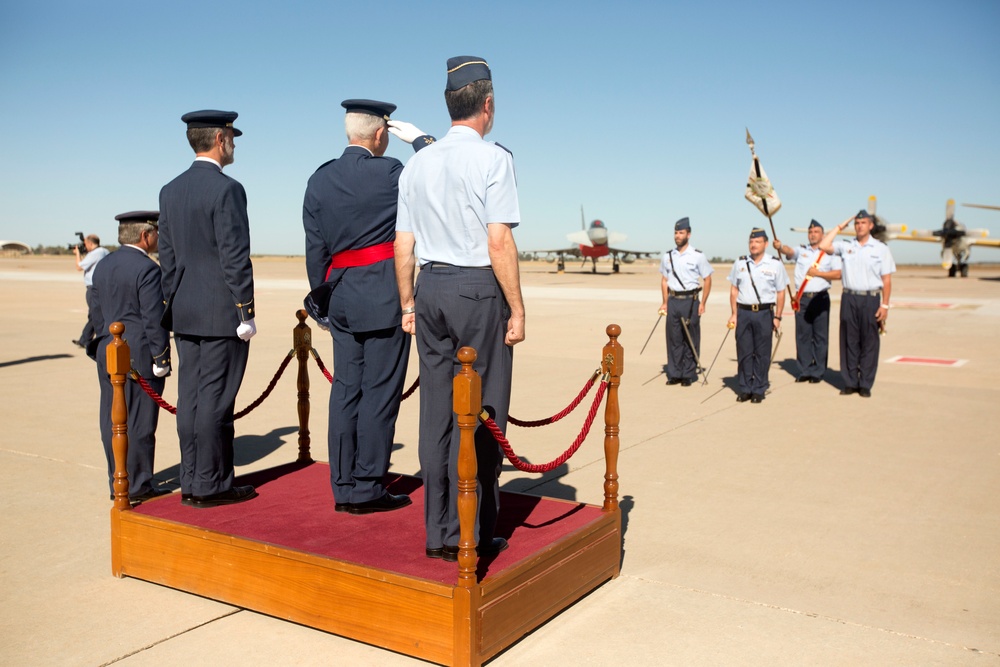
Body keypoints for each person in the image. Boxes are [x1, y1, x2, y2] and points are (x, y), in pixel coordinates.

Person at [394, 56, 524, 561]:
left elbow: (403, 244)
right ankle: (474, 527)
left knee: (437, 413)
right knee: (485, 408)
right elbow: (499, 242)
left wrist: (408, 302)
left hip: (430, 288)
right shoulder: (494, 159)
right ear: (487, 105)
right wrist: (517, 309)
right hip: (476, 289)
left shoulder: (417, 163)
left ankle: (440, 529)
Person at [303, 99, 433, 515]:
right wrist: (421, 141)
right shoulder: (392, 172)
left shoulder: (319, 179)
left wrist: (322, 297)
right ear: (381, 134)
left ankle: (342, 483)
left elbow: (315, 248)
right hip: (383, 296)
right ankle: (367, 486)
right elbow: (437, 172)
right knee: (379, 393)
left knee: (345, 391)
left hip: (340, 296)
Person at [158, 110, 257, 508]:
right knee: (215, 401)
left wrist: (173, 302)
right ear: (220, 138)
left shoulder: (170, 190)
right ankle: (212, 484)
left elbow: (167, 257)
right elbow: (235, 255)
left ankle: (192, 478)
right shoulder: (227, 189)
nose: (233, 143)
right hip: (221, 312)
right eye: (232, 136)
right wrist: (245, 310)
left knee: (192, 398)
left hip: (186, 309)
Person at [91, 211, 171, 503]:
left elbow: (97, 312)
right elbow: (153, 319)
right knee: (138, 423)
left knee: (111, 421)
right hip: (138, 354)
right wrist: (161, 358)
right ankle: (138, 484)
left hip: (108, 351)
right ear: (145, 235)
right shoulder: (147, 269)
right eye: (156, 233)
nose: (158, 238)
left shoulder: (103, 265)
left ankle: (118, 479)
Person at [819, 210, 895, 397]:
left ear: (870, 226)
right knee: (848, 340)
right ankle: (850, 382)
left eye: (863, 223)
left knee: (869, 341)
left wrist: (884, 305)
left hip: (870, 298)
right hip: (849, 297)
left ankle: (865, 383)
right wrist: (839, 227)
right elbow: (823, 245)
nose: (859, 226)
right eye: (857, 223)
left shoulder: (880, 249)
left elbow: (886, 280)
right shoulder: (847, 247)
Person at [773, 220, 842, 383]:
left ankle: (818, 371)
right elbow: (789, 252)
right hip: (802, 299)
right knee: (803, 335)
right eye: (810, 232)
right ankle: (804, 370)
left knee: (820, 336)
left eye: (816, 232)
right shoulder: (802, 250)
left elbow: (838, 274)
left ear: (823, 235)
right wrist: (780, 247)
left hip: (820, 298)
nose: (812, 235)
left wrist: (818, 274)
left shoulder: (830, 252)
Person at [727, 228, 788, 403]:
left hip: (764, 313)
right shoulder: (740, 263)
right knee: (744, 351)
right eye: (751, 242)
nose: (753, 245)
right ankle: (745, 388)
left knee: (762, 353)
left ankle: (759, 388)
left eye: (758, 242)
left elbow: (781, 292)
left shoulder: (775, 264)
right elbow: (734, 290)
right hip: (744, 312)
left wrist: (777, 317)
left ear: (766, 244)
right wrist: (734, 314)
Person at [658, 217, 713, 386]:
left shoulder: (698, 256)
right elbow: (664, 280)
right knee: (674, 338)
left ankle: (688, 373)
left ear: (688, 234)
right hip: (673, 300)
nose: (677, 236)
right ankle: (675, 373)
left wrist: (703, 303)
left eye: (681, 233)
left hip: (691, 300)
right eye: (676, 233)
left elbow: (707, 279)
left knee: (691, 338)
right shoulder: (668, 256)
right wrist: (665, 302)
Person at [73, 234, 110, 349]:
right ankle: (85, 339)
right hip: (104, 286)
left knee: (95, 315)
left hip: (94, 288)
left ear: (90, 243)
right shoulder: (105, 251)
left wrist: (78, 254)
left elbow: (79, 267)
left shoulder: (95, 253)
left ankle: (91, 339)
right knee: (96, 314)